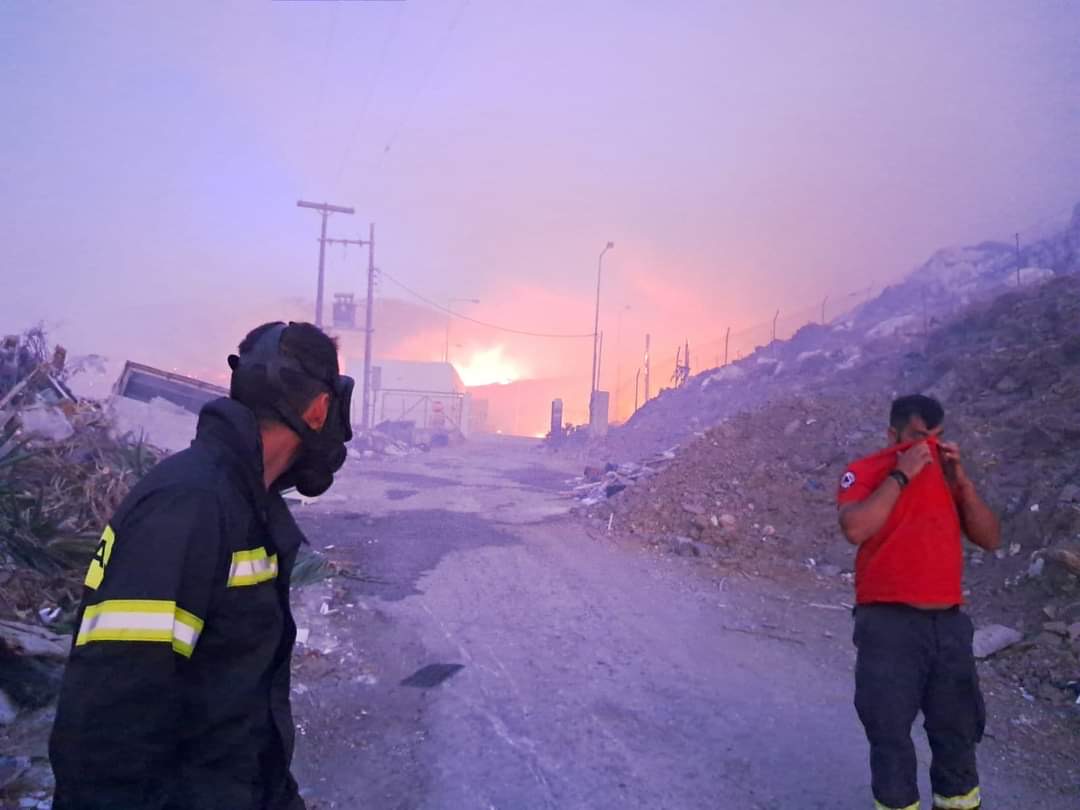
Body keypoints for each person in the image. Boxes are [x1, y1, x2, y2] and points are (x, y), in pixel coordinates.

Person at [49, 321, 354, 810]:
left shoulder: (243, 503)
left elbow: (236, 704)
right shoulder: (191, 506)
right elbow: (109, 727)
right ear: (321, 410)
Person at [837, 394, 1000, 810]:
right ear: (893, 434)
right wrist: (901, 474)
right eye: (918, 436)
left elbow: (990, 537)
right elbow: (856, 528)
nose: (928, 446)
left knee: (957, 735)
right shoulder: (865, 471)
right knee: (890, 736)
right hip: (889, 627)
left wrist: (962, 482)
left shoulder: (947, 477)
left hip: (947, 626)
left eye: (937, 436)